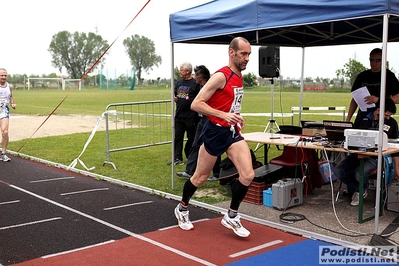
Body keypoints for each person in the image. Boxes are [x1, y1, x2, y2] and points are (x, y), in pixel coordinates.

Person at [174, 37, 255, 237]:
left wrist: (235, 116)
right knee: (200, 177)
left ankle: (232, 215)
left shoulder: (239, 77)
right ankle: (182, 208)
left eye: (249, 55)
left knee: (248, 175)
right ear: (231, 52)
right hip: (214, 132)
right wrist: (223, 115)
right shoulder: (221, 76)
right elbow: (197, 104)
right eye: (243, 54)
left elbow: (228, 104)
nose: (247, 58)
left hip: (231, 132)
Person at [335, 98, 399, 206]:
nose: (388, 118)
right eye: (386, 115)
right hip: (357, 154)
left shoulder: (392, 123)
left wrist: (397, 167)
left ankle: (358, 189)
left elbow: (396, 147)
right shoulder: (362, 116)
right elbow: (352, 132)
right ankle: (359, 189)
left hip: (375, 157)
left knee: (358, 174)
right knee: (338, 170)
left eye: (390, 115)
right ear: (378, 110)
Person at [176, 65, 221, 181]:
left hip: (210, 121)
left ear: (200, 77)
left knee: (214, 146)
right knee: (195, 145)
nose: (194, 77)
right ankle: (189, 172)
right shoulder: (200, 87)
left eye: (195, 75)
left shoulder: (209, 87)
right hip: (201, 121)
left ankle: (217, 174)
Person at [346, 48, 399, 124]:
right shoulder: (362, 76)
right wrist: (348, 119)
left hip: (382, 117)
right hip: (363, 116)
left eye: (377, 60)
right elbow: (355, 99)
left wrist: (379, 100)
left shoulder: (389, 76)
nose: (374, 63)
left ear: (383, 60)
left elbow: (398, 98)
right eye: (372, 60)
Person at [168, 62, 200, 165]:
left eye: (181, 70)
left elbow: (200, 97)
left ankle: (191, 156)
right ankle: (177, 158)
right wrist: (175, 98)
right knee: (178, 137)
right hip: (179, 115)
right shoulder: (179, 82)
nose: (179, 72)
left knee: (192, 138)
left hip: (191, 116)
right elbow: (176, 93)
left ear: (187, 71)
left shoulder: (195, 83)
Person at [0, 68, 16, 162]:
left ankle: (3, 153)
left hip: (3, 111)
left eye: (5, 75)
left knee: (5, 132)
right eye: (1, 75)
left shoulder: (9, 86)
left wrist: (12, 103)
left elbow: (10, 96)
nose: (3, 77)